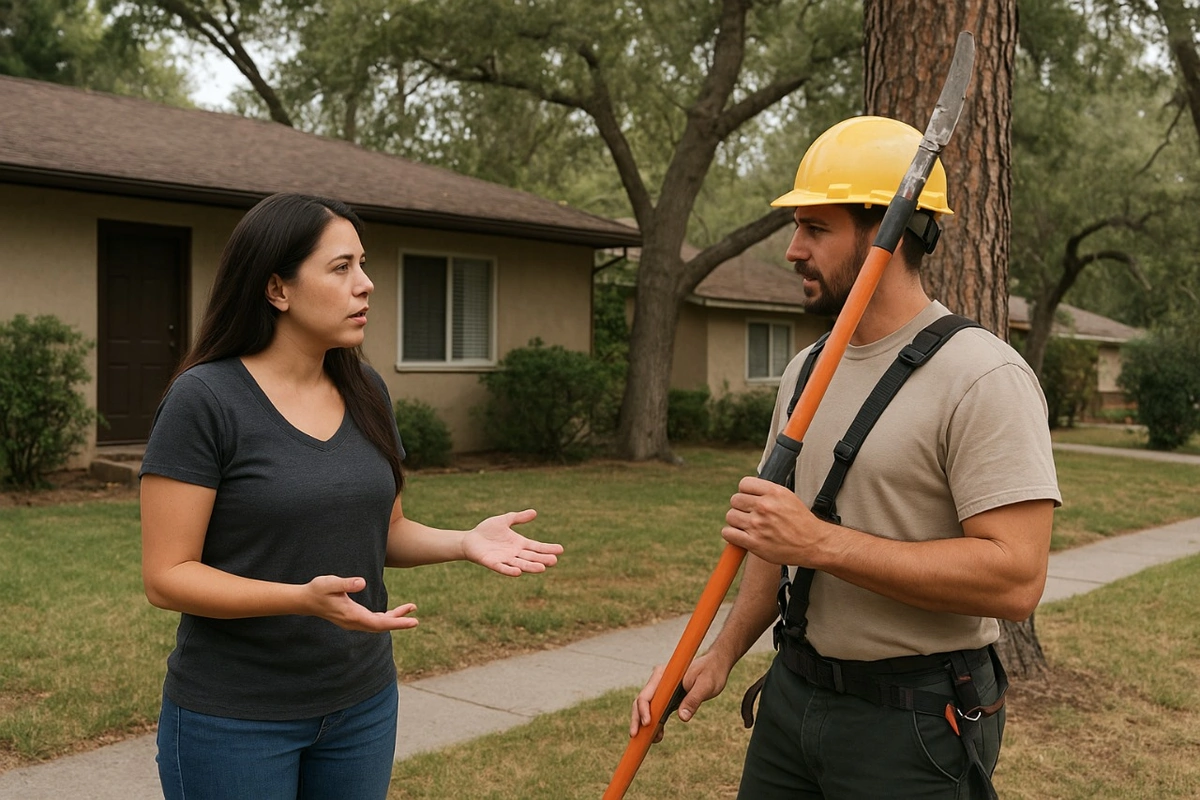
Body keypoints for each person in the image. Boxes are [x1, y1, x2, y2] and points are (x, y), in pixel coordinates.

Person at [630, 116, 1061, 798]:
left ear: (891, 232)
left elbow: (1016, 579)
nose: (793, 250)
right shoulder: (806, 371)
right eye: (797, 227)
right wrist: (715, 657)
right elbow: (775, 544)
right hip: (793, 698)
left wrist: (823, 544)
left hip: (915, 721)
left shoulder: (982, 376)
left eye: (816, 228)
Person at [140, 192, 563, 800]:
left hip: (359, 705)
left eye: (363, 265)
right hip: (235, 718)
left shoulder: (365, 388)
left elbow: (386, 530)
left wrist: (464, 541)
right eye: (341, 268)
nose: (365, 285)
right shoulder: (204, 400)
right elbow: (167, 576)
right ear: (277, 289)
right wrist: (300, 599)